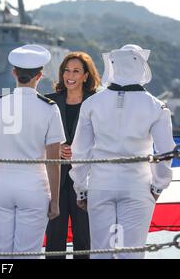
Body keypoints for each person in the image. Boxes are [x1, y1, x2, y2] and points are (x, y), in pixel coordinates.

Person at [70, 44, 176, 259]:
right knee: (131, 254)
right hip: (138, 187)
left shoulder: (92, 103)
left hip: (100, 185)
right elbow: (165, 152)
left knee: (101, 253)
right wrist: (158, 186)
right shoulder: (156, 107)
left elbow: (80, 151)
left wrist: (81, 189)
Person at [0, 45, 65, 258]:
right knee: (28, 253)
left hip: (1, 185)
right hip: (34, 186)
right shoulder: (49, 108)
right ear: (39, 76)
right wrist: (55, 200)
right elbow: (53, 161)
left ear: (14, 73)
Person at [45, 52, 101, 259]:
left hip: (86, 180)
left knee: (84, 239)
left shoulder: (97, 102)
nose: (70, 75)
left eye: (76, 71)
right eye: (66, 70)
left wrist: (81, 150)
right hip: (55, 181)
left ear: (86, 76)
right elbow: (36, 139)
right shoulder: (48, 102)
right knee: (54, 240)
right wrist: (54, 149)